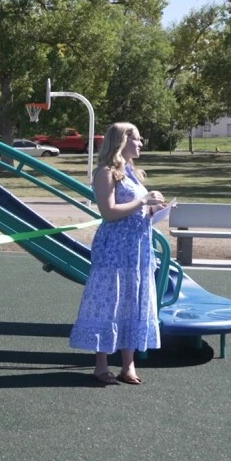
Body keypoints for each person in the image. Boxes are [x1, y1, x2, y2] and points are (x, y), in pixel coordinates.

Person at [69, 122, 167, 385]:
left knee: (133, 301)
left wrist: (154, 209)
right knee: (109, 301)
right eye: (136, 138)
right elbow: (109, 212)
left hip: (137, 249)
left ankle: (128, 365)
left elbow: (137, 211)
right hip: (115, 249)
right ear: (122, 141)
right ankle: (101, 366)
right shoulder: (105, 172)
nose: (141, 143)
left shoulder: (133, 173)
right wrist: (143, 202)